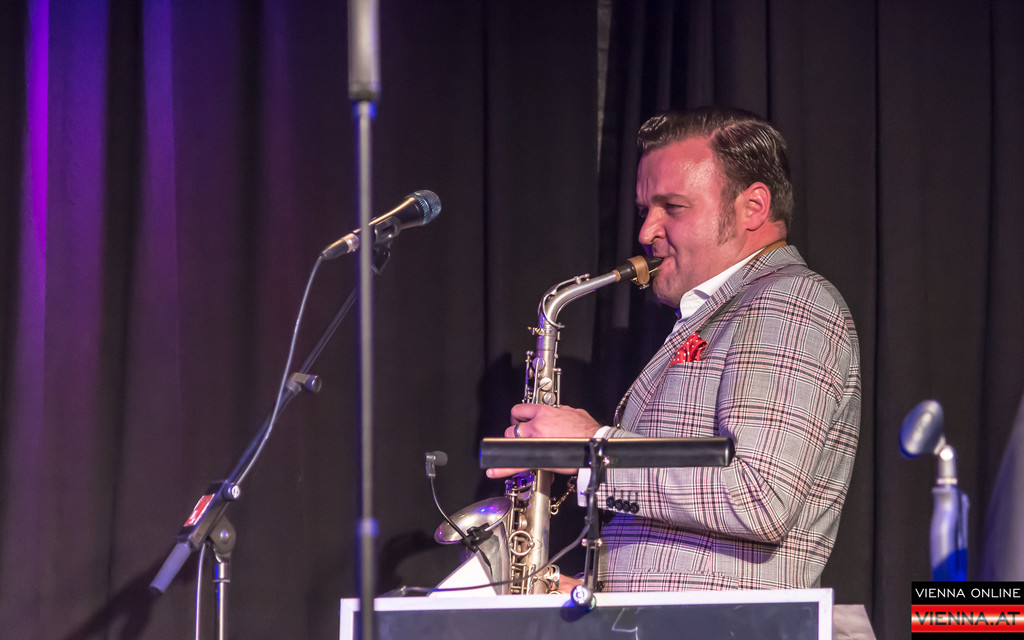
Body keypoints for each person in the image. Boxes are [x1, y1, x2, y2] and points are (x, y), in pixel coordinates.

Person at [490, 107, 861, 592]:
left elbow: (758, 498)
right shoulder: (719, 311)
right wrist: (583, 588)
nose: (646, 232)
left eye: (673, 207)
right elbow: (676, 552)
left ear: (753, 207)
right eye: (646, 209)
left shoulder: (789, 299)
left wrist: (592, 449)